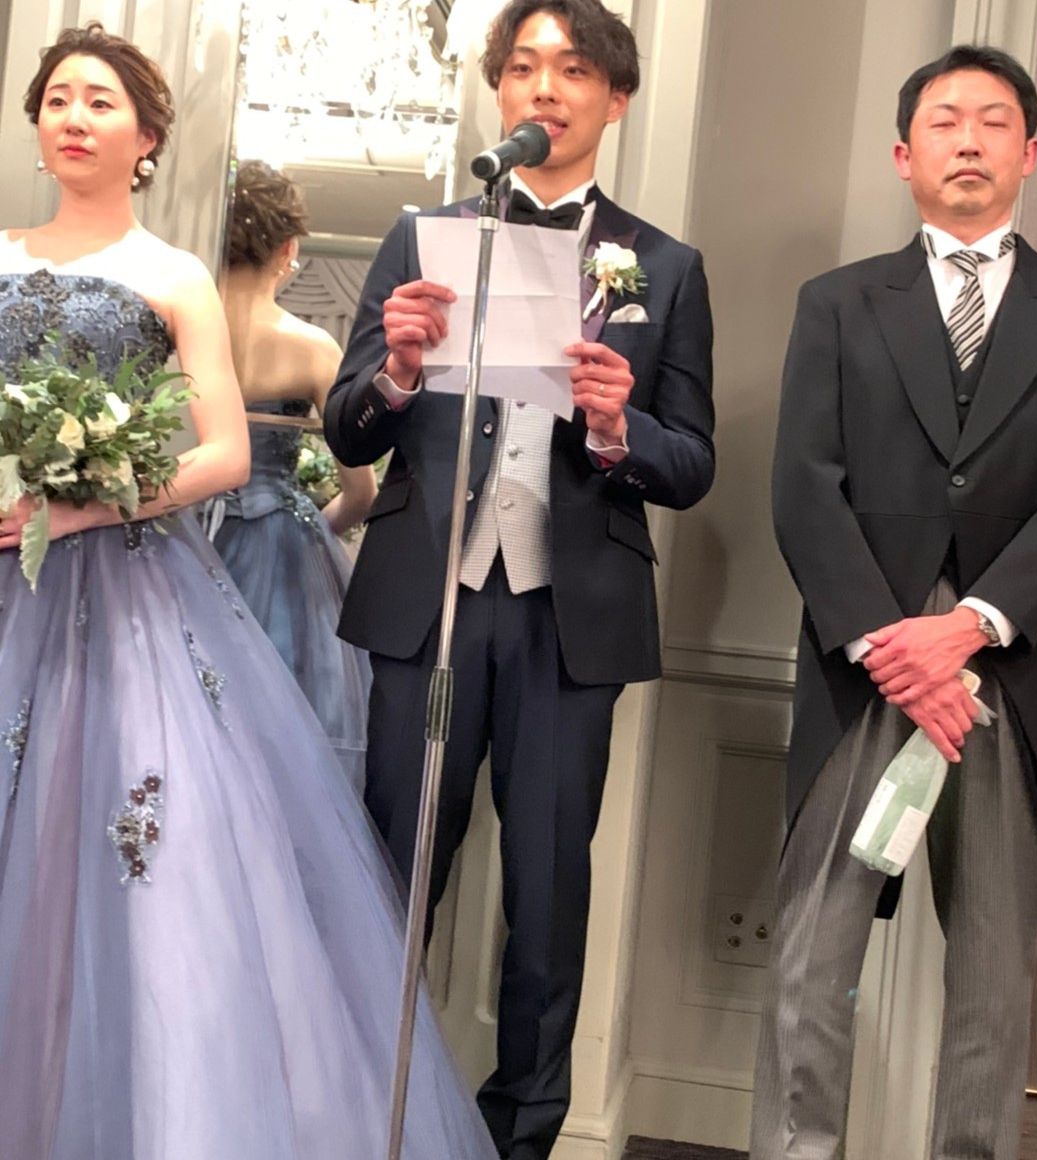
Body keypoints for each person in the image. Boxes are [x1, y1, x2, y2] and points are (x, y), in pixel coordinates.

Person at [0, 23, 497, 1159]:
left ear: (147, 140)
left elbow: (224, 454)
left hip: (127, 590)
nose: (75, 117)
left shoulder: (172, 275)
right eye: (58, 98)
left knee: (133, 852)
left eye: (101, 102)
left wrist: (86, 506)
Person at [324, 2, 714, 1155]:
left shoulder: (662, 266)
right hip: (426, 605)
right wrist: (396, 372)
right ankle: (358, 1112)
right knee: (390, 874)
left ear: (614, 98)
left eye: (574, 69)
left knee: (546, 894)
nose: (546, 87)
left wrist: (618, 427)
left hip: (567, 618)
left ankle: (521, 1135)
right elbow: (347, 427)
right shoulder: (422, 238)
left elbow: (692, 462)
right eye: (525, 67)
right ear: (499, 91)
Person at [754, 45, 1037, 1160]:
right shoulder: (837, 302)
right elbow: (802, 484)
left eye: (993, 121)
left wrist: (969, 625)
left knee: (994, 967)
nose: (968, 140)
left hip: (1008, 661)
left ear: (1030, 154)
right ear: (904, 154)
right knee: (814, 951)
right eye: (945, 121)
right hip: (861, 659)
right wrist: (888, 643)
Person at [209, 159, 376, 783]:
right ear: (288, 250)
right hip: (280, 543)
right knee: (284, 739)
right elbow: (361, 491)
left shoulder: (175, 332)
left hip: (177, 533)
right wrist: (311, 531)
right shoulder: (310, 346)